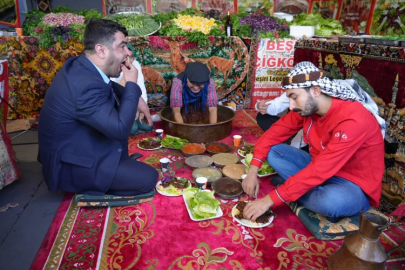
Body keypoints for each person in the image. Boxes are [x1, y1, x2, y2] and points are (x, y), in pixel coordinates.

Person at [242, 61, 385, 222]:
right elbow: (273, 134)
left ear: (315, 91)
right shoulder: (307, 109)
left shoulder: (353, 120)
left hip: (351, 184)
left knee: (329, 202)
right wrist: (252, 171)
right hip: (318, 167)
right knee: (274, 151)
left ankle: (295, 189)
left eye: (294, 97)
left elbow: (320, 170)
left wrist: (268, 200)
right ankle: (297, 188)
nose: (291, 105)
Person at [38, 19, 158, 196]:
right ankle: (91, 190)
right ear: (101, 50)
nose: (128, 53)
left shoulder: (80, 65)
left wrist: (137, 97)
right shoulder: (84, 86)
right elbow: (120, 130)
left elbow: (106, 84)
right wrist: (132, 84)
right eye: (122, 47)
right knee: (149, 178)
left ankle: (113, 167)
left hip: (74, 146)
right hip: (71, 165)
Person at [110, 45, 153, 135]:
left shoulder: (135, 64)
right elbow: (115, 93)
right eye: (126, 57)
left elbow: (141, 87)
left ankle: (136, 119)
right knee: (133, 129)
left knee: (148, 126)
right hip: (119, 106)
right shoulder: (113, 67)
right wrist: (127, 72)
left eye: (131, 56)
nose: (129, 59)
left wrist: (143, 107)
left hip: (135, 101)